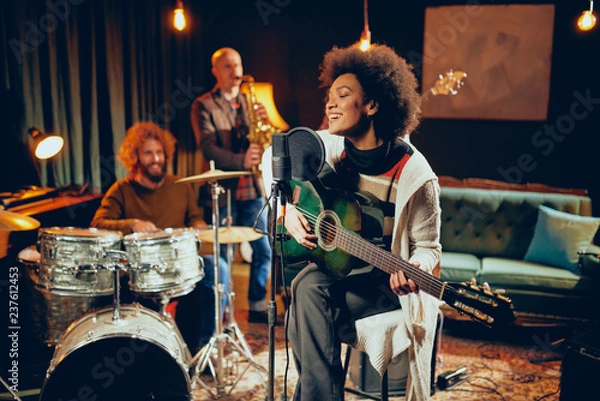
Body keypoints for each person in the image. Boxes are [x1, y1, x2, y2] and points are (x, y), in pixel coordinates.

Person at [271, 44, 442, 400]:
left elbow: (429, 249)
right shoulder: (331, 149)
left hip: (386, 286)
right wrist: (288, 213)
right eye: (329, 96)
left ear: (373, 105)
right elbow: (277, 160)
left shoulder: (417, 175)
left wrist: (414, 267)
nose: (329, 105)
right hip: (343, 272)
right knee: (306, 292)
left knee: (305, 296)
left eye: (343, 95)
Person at [90, 121, 228, 354]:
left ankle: (204, 346)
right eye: (148, 153)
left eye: (159, 152)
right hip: (140, 267)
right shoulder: (121, 190)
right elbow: (97, 224)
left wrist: (200, 227)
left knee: (219, 268)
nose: (156, 159)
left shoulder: (180, 185)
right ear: (135, 157)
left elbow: (195, 218)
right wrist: (132, 223)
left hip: (177, 264)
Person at [190, 47, 272, 324]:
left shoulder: (251, 101)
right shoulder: (204, 105)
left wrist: (265, 122)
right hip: (223, 191)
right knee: (224, 252)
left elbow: (265, 139)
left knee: (264, 249)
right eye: (228, 66)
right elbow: (208, 147)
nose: (235, 71)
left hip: (253, 189)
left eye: (237, 65)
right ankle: (221, 314)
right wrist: (241, 160)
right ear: (215, 71)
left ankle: (258, 306)